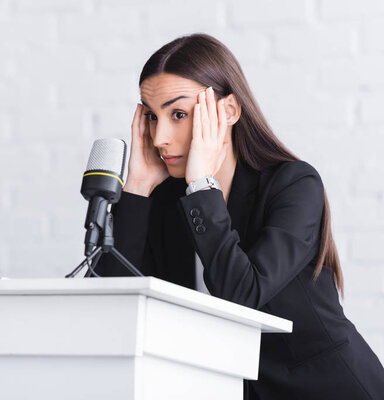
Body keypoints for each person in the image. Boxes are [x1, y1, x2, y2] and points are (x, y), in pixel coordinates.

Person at [90, 33, 384, 399]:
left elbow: (242, 297)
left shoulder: (293, 184)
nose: (160, 136)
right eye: (151, 116)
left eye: (178, 114)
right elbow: (104, 307)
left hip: (326, 388)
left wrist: (201, 185)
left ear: (228, 111)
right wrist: (135, 188)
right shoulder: (166, 200)